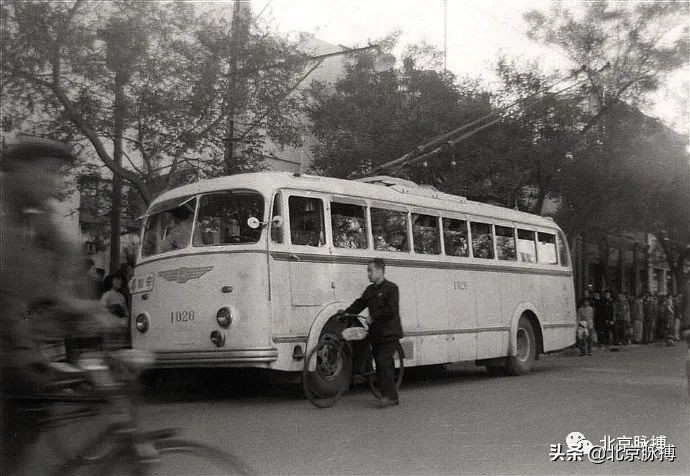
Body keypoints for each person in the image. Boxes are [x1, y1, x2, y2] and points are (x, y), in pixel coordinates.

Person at [1, 138, 112, 474]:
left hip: (13, 342)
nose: (57, 183)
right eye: (50, 172)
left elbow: (63, 266)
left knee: (34, 402)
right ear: (21, 171)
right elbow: (26, 283)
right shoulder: (5, 217)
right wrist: (80, 310)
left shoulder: (27, 216)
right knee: (28, 398)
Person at [338, 258, 403, 407]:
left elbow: (391, 310)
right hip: (376, 334)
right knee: (381, 363)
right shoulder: (370, 290)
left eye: (370, 271)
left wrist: (374, 317)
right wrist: (346, 312)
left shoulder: (392, 288)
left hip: (390, 333)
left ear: (380, 271)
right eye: (368, 271)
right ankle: (386, 393)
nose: (368, 274)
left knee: (382, 361)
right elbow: (360, 303)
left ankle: (391, 397)